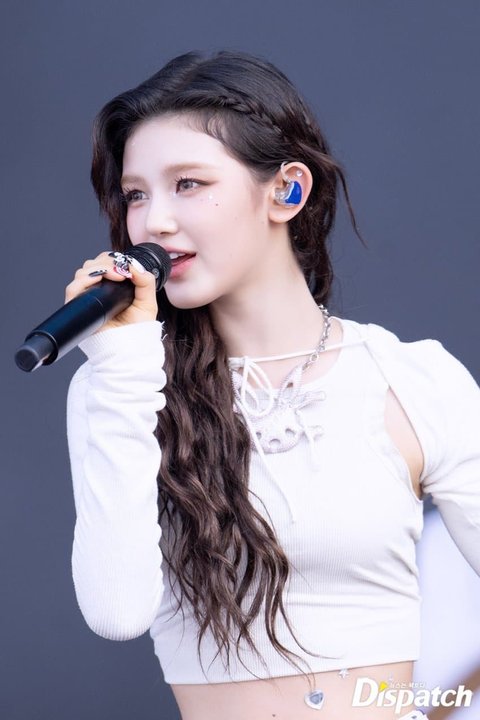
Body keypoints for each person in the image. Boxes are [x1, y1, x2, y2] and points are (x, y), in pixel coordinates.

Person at [64, 50, 480, 720]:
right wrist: (121, 365)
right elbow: (117, 613)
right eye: (136, 194)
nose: (154, 222)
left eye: (188, 183)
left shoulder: (411, 379)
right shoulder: (124, 386)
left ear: (286, 190)